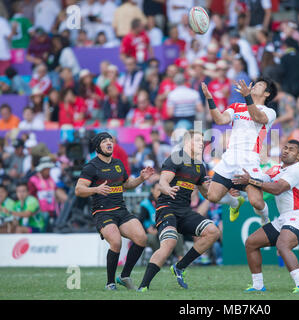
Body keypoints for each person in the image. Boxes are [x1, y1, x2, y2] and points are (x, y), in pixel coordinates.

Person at [137, 130, 220, 291]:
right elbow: (162, 181)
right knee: (170, 242)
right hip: (166, 207)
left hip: (184, 210)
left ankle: (179, 267)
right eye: (198, 140)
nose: (201, 144)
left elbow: (208, 195)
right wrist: (167, 189)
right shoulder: (176, 158)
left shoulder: (199, 166)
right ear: (187, 142)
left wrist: (223, 191)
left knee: (213, 232)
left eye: (202, 141)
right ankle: (143, 286)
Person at [75, 132, 155, 291]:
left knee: (141, 238)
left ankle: (124, 276)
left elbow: (127, 185)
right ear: (98, 147)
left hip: (121, 211)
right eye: (104, 141)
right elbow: (78, 190)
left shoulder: (118, 163)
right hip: (103, 212)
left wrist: (141, 179)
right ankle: (110, 283)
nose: (109, 143)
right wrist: (96, 189)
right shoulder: (91, 166)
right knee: (116, 242)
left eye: (110, 141)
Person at [232, 140, 299, 293]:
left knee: (283, 246)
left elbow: (277, 188)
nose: (286, 151)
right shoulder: (276, 169)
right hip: (284, 218)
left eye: (292, 149)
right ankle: (258, 285)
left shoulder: (297, 169)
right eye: (285, 148)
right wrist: (238, 187)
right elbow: (258, 181)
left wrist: (249, 180)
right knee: (251, 243)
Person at [202, 77, 278, 225]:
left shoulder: (270, 112)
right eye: (255, 84)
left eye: (260, 85)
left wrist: (247, 96)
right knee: (212, 196)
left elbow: (257, 117)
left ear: (267, 94)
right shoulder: (237, 106)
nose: (255, 86)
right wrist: (210, 100)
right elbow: (220, 120)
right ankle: (235, 203)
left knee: (256, 202)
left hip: (250, 160)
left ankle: (265, 220)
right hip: (230, 157)